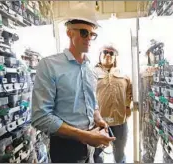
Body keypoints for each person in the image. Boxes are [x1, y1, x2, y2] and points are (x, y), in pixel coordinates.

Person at [31, 3, 115, 163]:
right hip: (66, 149)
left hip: (94, 146)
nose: (89, 38)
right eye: (84, 33)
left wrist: (99, 119)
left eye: (92, 34)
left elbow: (92, 104)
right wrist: (85, 136)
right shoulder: (49, 65)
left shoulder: (90, 70)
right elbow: (40, 117)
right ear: (70, 33)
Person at [93, 44, 132, 163]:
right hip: (99, 122)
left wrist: (126, 106)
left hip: (120, 120)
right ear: (100, 55)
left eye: (111, 53)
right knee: (96, 153)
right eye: (105, 52)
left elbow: (129, 91)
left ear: (115, 57)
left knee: (120, 153)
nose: (108, 55)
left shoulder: (123, 73)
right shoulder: (91, 72)